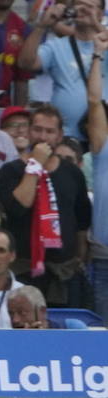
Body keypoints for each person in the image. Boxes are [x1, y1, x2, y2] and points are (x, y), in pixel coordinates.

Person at [0, 104, 93, 306]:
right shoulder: (11, 170)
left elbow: (81, 222)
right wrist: (35, 166)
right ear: (29, 131)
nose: (43, 137)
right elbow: (19, 206)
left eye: (50, 132)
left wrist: (79, 260)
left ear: (59, 136)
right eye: (37, 130)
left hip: (63, 272)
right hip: (23, 270)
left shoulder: (72, 172)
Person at [16, 0, 108, 141]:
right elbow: (25, 63)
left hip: (102, 135)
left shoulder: (105, 45)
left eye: (90, 6)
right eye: (79, 4)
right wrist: (42, 26)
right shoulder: (56, 46)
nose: (84, 9)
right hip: (66, 136)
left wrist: (96, 24)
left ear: (101, 13)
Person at [86, 50, 108, 318]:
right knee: (103, 332)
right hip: (105, 259)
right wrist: (97, 55)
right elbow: (93, 100)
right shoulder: (104, 146)